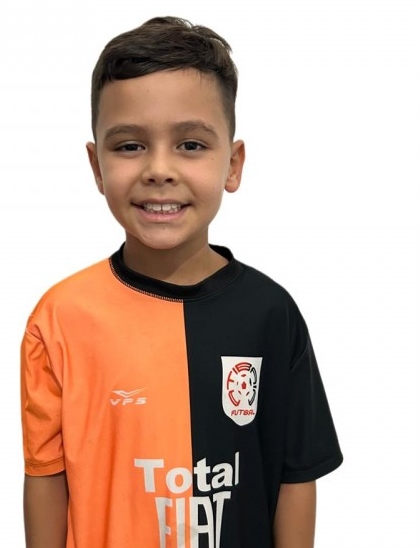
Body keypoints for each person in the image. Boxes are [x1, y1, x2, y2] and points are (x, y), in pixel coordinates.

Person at [20, 16, 343, 548]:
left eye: (191, 145)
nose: (159, 169)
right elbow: (44, 475)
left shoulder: (271, 313)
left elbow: (296, 474)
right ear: (96, 167)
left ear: (232, 165)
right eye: (129, 146)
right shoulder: (61, 318)